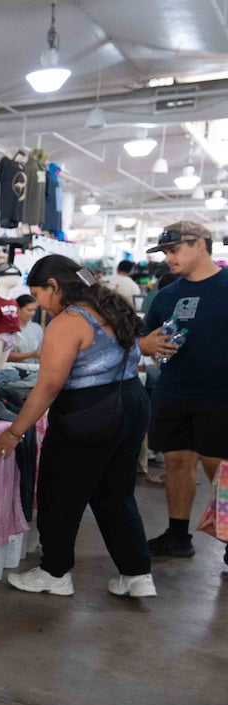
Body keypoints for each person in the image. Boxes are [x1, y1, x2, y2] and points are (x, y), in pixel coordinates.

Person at [0, 255, 154, 598]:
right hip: (132, 403)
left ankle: (54, 572)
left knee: (59, 492)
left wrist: (13, 431)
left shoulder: (68, 322)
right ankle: (136, 573)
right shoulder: (114, 308)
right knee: (116, 493)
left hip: (90, 412)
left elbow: (48, 386)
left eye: (38, 294)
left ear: (54, 285)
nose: (37, 304)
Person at [137, 222, 228, 565]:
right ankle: (177, 535)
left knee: (218, 467)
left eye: (174, 250)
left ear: (201, 245)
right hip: (174, 390)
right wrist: (146, 344)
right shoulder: (167, 295)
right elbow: (145, 339)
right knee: (176, 461)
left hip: (220, 393)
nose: (168, 258)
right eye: (164, 252)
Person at [6, 294, 43, 364]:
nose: (32, 313)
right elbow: (5, 355)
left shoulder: (37, 328)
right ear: (18, 309)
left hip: (33, 369)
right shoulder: (8, 329)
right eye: (29, 310)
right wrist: (32, 354)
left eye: (34, 310)